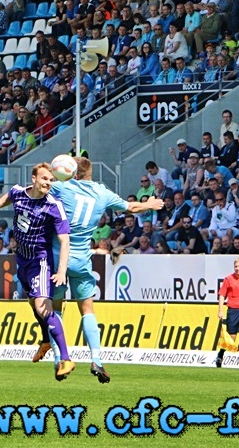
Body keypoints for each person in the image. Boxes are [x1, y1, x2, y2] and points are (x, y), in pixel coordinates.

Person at [44, 157, 164, 382]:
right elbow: (131, 207)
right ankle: (97, 360)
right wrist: (150, 204)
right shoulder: (102, 192)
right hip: (81, 258)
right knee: (87, 309)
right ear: (91, 173)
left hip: (58, 257)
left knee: (55, 309)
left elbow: (42, 184)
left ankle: (59, 358)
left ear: (73, 174)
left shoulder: (63, 187)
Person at [0, 163, 75, 380]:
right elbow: (7, 197)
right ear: (34, 178)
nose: (48, 183)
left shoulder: (54, 205)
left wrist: (61, 271)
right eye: (44, 179)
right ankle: (46, 340)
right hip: (22, 259)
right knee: (33, 303)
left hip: (40, 260)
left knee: (42, 305)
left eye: (51, 180)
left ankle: (66, 358)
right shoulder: (19, 193)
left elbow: (65, 241)